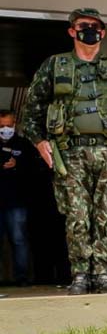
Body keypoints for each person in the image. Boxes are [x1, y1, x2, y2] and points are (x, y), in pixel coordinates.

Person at [21, 8, 107, 295]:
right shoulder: (55, 66)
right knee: (77, 217)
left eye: (95, 26)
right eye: (82, 25)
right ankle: (80, 275)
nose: (89, 30)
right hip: (70, 155)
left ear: (103, 32)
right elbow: (30, 113)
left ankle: (102, 274)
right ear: (71, 30)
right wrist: (41, 143)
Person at [0, 111, 39, 286]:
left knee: (19, 239)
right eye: (1, 126)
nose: (5, 129)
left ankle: (22, 278)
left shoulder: (24, 145)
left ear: (15, 124)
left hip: (17, 201)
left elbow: (35, 170)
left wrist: (18, 165)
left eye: (8, 125)